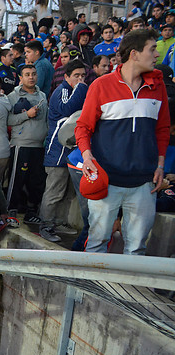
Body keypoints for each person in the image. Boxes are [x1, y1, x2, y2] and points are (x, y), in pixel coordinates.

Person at [75, 28, 169, 255]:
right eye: (152, 49)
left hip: (144, 182)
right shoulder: (101, 85)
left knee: (137, 249)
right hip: (107, 180)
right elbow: (83, 127)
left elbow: (163, 130)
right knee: (97, 243)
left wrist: (159, 165)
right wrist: (87, 157)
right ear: (134, 54)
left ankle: (127, 291)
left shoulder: (158, 87)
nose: (157, 54)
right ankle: (92, 290)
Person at [39, 59, 87, 242]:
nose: (80, 79)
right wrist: (81, 88)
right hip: (57, 151)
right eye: (76, 76)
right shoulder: (63, 90)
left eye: (83, 76)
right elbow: (67, 109)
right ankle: (45, 225)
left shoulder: (78, 90)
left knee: (67, 192)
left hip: (72, 150)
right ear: (66, 76)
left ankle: (58, 222)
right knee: (54, 190)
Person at [6, 65, 48, 225]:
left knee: (36, 181)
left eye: (34, 74)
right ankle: (10, 210)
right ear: (20, 78)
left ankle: (31, 211)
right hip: (21, 145)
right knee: (16, 179)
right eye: (27, 74)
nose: (31, 77)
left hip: (39, 145)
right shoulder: (13, 96)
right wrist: (26, 115)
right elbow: (8, 120)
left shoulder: (42, 95)